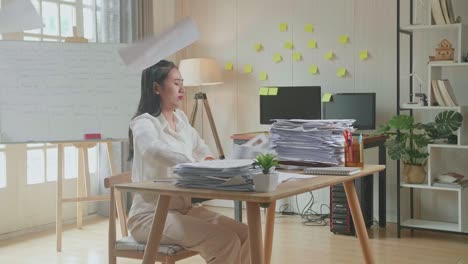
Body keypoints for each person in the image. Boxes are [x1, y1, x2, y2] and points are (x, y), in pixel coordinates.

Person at [127, 60, 250, 264]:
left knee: (246, 233)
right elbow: (152, 149)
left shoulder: (181, 118)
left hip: (184, 210)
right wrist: (191, 165)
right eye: (176, 83)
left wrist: (210, 162)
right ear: (157, 87)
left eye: (182, 82)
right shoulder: (143, 122)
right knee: (225, 241)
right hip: (149, 216)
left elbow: (201, 147)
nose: (182, 88)